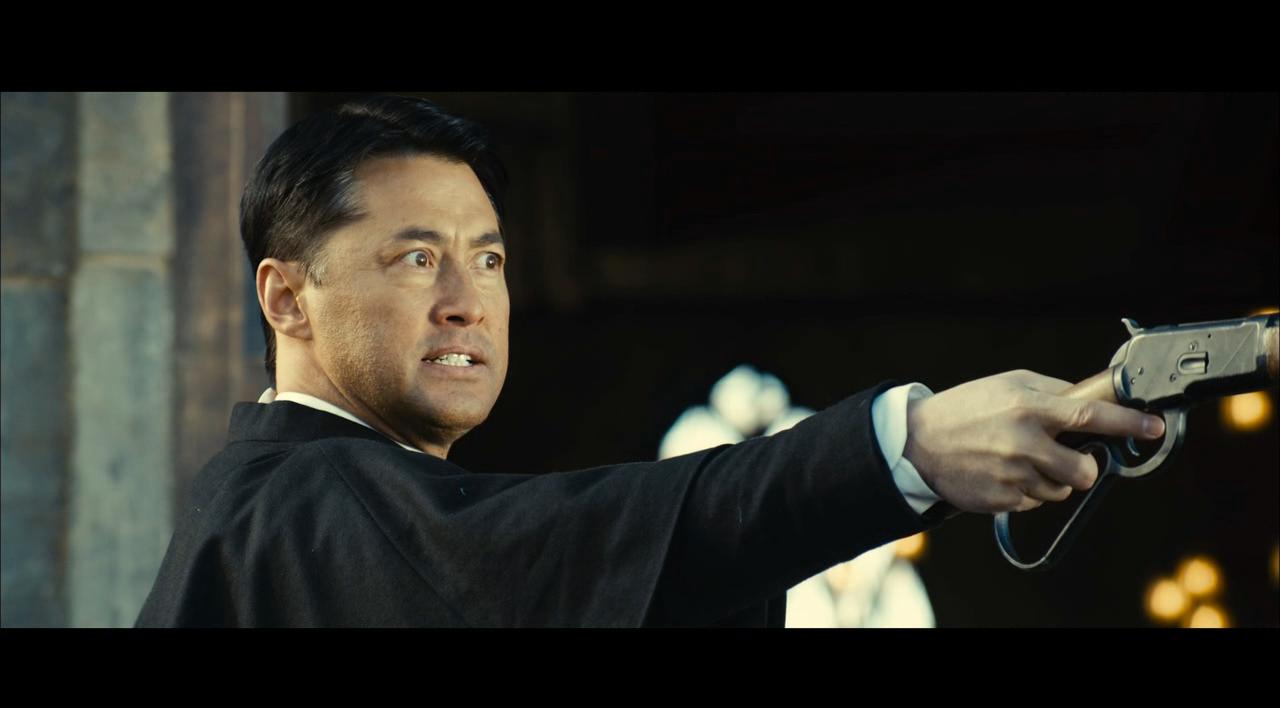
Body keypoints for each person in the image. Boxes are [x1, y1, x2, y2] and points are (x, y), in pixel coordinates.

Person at [134, 95, 1166, 627]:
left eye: (488, 259)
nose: (467, 300)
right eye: (415, 258)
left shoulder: (299, 514)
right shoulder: (291, 502)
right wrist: (904, 446)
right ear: (286, 298)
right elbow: (565, 547)